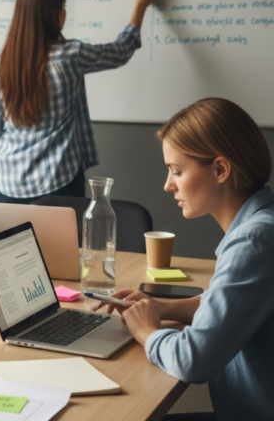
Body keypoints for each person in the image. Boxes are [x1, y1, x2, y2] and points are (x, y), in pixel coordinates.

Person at [93, 98, 274, 420]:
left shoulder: (252, 243)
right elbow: (231, 306)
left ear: (220, 169)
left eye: (177, 171)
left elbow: (193, 361)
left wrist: (147, 331)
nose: (167, 185)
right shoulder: (263, 224)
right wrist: (163, 308)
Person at [0, 0, 158, 204]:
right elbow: (120, 51)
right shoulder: (70, 55)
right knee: (63, 242)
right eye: (63, 6)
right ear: (51, 13)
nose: (65, 12)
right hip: (57, 181)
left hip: (8, 184)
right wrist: (140, 6)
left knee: (14, 242)